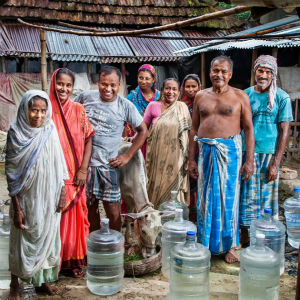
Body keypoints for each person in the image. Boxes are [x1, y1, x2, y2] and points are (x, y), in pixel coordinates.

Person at [188, 56, 255, 263]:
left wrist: (249, 160)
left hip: (230, 154)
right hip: (205, 153)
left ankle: (231, 246)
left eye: (223, 71)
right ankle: (205, 244)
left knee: (229, 200)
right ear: (209, 72)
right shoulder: (200, 96)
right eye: (215, 71)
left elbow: (249, 129)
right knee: (205, 200)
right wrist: (191, 158)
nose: (219, 75)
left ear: (230, 74)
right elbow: (193, 128)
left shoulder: (240, 96)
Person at [5, 90, 68, 300]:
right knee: (21, 238)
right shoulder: (16, 132)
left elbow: (60, 163)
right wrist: (17, 207)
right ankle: (15, 286)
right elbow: (12, 174)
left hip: (49, 195)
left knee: (49, 237)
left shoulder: (49, 130)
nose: (38, 116)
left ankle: (43, 283)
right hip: (25, 198)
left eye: (42, 111)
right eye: (34, 110)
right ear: (25, 109)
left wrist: (62, 191)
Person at [74, 66, 147, 232]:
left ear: (119, 84)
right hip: (84, 166)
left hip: (108, 166)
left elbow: (143, 131)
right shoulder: (85, 97)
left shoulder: (125, 105)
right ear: (97, 82)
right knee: (90, 209)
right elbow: (69, 115)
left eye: (112, 85)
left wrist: (127, 156)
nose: (108, 89)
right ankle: (95, 244)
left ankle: (115, 246)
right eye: (103, 84)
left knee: (113, 211)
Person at [239, 55, 293, 245]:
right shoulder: (245, 95)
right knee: (247, 197)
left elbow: (284, 130)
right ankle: (245, 238)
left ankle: (265, 240)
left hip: (269, 155)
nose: (263, 75)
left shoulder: (282, 97)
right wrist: (246, 158)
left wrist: (276, 163)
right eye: (260, 71)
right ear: (255, 72)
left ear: (273, 75)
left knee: (267, 199)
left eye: (268, 72)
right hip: (248, 154)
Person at [49, 68, 95, 278]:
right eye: (60, 83)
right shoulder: (46, 109)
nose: (63, 89)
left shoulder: (78, 109)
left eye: (68, 85)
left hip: (75, 176)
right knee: (53, 221)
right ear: (53, 83)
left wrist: (83, 169)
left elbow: (88, 139)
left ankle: (71, 262)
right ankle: (52, 264)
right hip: (53, 177)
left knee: (75, 221)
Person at [144, 78, 191, 208]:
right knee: (154, 187)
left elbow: (188, 136)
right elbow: (143, 128)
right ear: (162, 90)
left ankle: (173, 221)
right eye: (167, 88)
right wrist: (133, 138)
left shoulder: (182, 108)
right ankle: (155, 220)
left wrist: (188, 159)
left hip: (177, 160)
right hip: (156, 158)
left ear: (179, 91)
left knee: (174, 191)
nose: (170, 92)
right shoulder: (153, 106)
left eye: (174, 89)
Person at [125, 64, 160, 156]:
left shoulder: (160, 97)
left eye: (147, 78)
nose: (143, 81)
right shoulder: (132, 97)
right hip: (134, 139)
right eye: (141, 78)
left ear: (153, 79)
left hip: (155, 140)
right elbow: (125, 119)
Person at [180, 74, 201, 221]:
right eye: (187, 86)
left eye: (194, 86)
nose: (191, 89)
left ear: (199, 87)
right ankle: (185, 212)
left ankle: (197, 214)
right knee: (184, 179)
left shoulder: (204, 103)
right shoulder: (180, 104)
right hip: (182, 147)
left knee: (198, 178)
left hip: (200, 147)